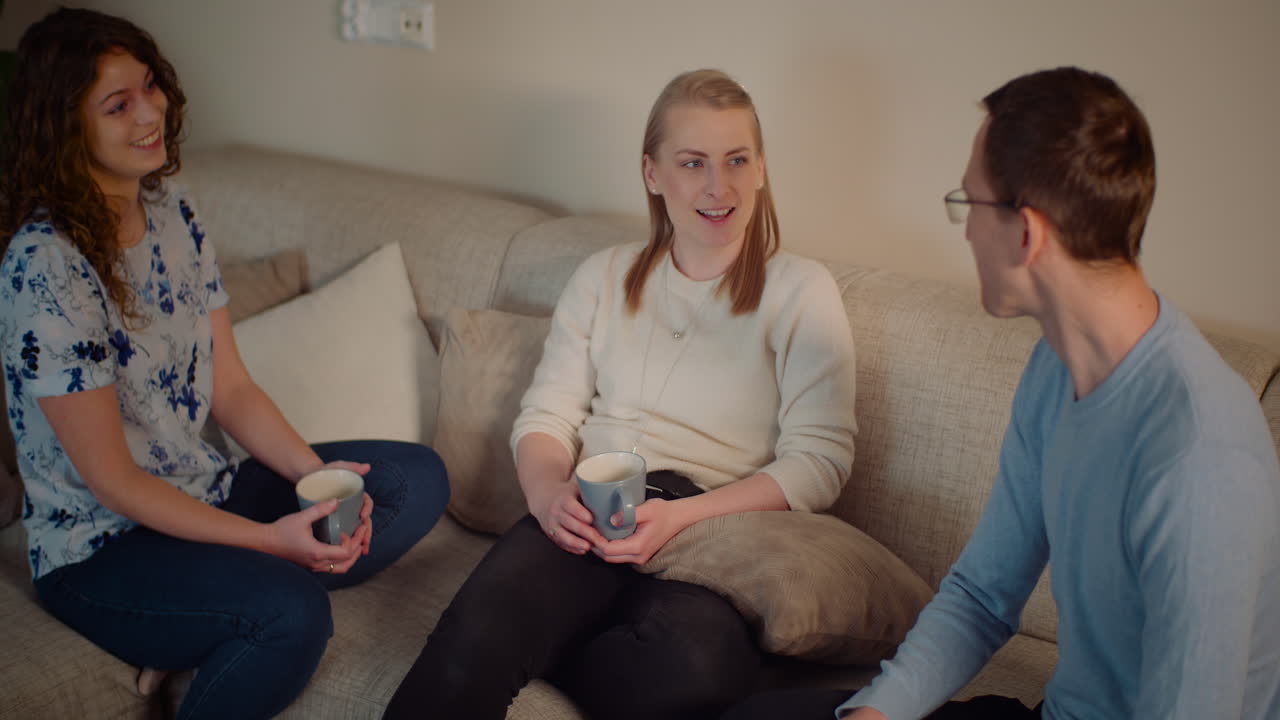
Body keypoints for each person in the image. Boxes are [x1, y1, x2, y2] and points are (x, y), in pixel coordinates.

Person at [722, 67, 1280, 720]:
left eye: (969, 204)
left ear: (1026, 233)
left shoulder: (1196, 452)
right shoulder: (1054, 366)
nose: (964, 231)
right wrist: (876, 716)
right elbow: (983, 596)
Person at [0, 9, 449, 719]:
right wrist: (272, 542)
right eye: (118, 104)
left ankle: (198, 618)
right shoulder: (45, 265)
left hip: (204, 490)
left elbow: (230, 386)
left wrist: (317, 481)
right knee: (293, 613)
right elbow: (113, 483)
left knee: (413, 479)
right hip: (102, 549)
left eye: (150, 87)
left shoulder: (172, 209)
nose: (152, 113)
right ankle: (207, 611)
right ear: (63, 127)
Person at [382, 69, 858, 720]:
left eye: (736, 160)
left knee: (688, 677)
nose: (719, 186)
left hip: (714, 531)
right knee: (471, 645)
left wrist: (680, 519)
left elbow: (821, 463)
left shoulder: (801, 291)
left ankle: (553, 644)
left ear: (761, 169)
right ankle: (534, 635)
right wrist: (548, 495)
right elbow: (547, 415)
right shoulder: (603, 278)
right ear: (653, 172)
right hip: (588, 513)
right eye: (693, 163)